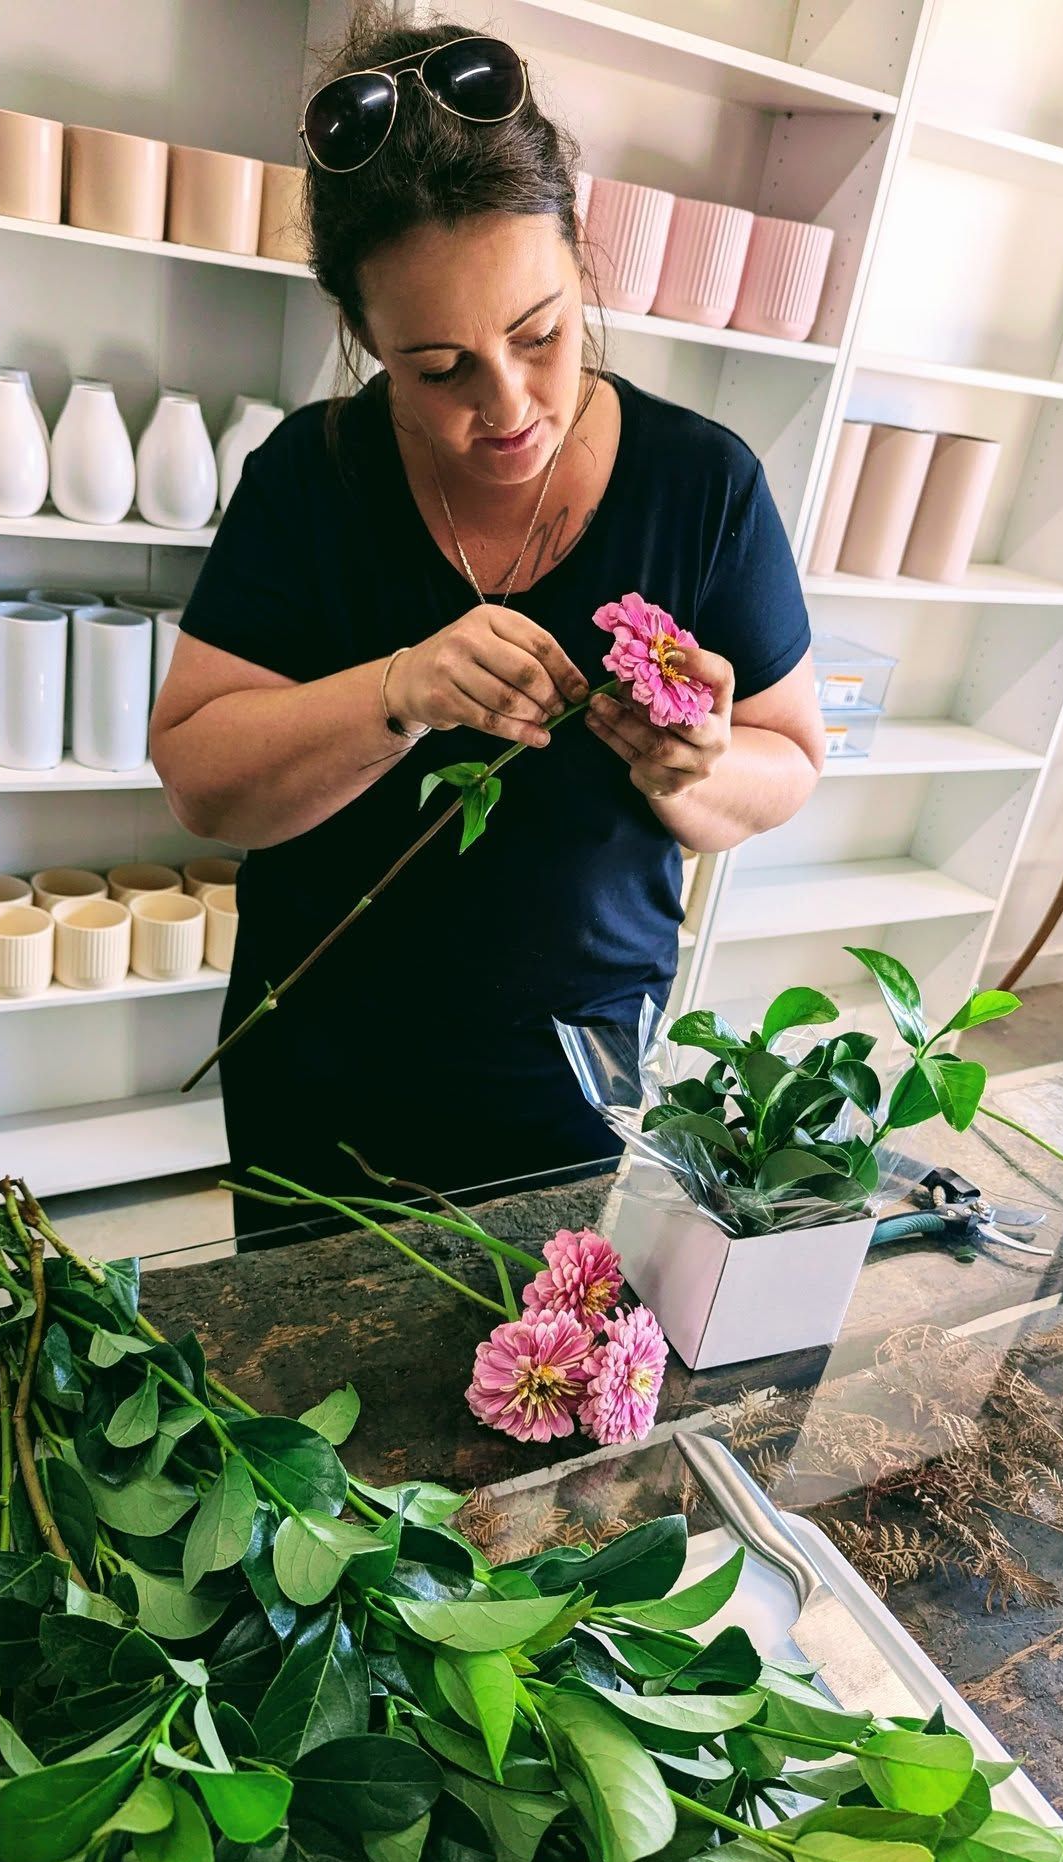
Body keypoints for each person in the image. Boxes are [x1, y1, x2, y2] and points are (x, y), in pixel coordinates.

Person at [152, 12, 824, 1206]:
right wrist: (394, 690)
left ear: (582, 260)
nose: (509, 406)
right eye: (439, 367)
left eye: (541, 334)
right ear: (365, 339)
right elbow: (203, 780)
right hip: (320, 1054)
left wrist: (695, 764)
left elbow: (788, 766)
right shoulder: (313, 476)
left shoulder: (704, 484)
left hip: (575, 1064)